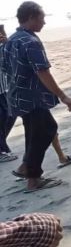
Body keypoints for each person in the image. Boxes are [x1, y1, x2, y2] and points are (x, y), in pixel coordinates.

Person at [1, 2, 71, 193]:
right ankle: (32, 176)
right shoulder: (30, 42)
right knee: (46, 129)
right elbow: (43, 72)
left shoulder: (11, 40)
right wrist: (62, 95)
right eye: (42, 18)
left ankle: (27, 167)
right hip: (33, 97)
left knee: (35, 132)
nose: (44, 22)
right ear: (31, 18)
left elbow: (5, 67)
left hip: (16, 95)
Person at [0, 29, 18, 163]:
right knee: (3, 116)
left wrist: (6, 42)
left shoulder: (3, 46)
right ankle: (2, 150)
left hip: (4, 87)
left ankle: (1, 145)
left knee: (10, 115)